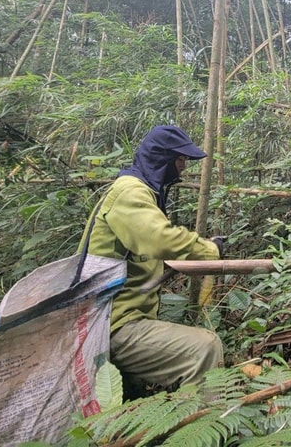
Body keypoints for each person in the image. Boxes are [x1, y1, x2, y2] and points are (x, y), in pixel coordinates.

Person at [79, 124, 224, 396]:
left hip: (121, 320)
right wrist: (210, 250)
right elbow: (160, 239)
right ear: (163, 160)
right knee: (205, 349)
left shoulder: (139, 192)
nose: (183, 167)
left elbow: (146, 250)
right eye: (180, 159)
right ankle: (202, 422)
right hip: (111, 326)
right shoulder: (130, 192)